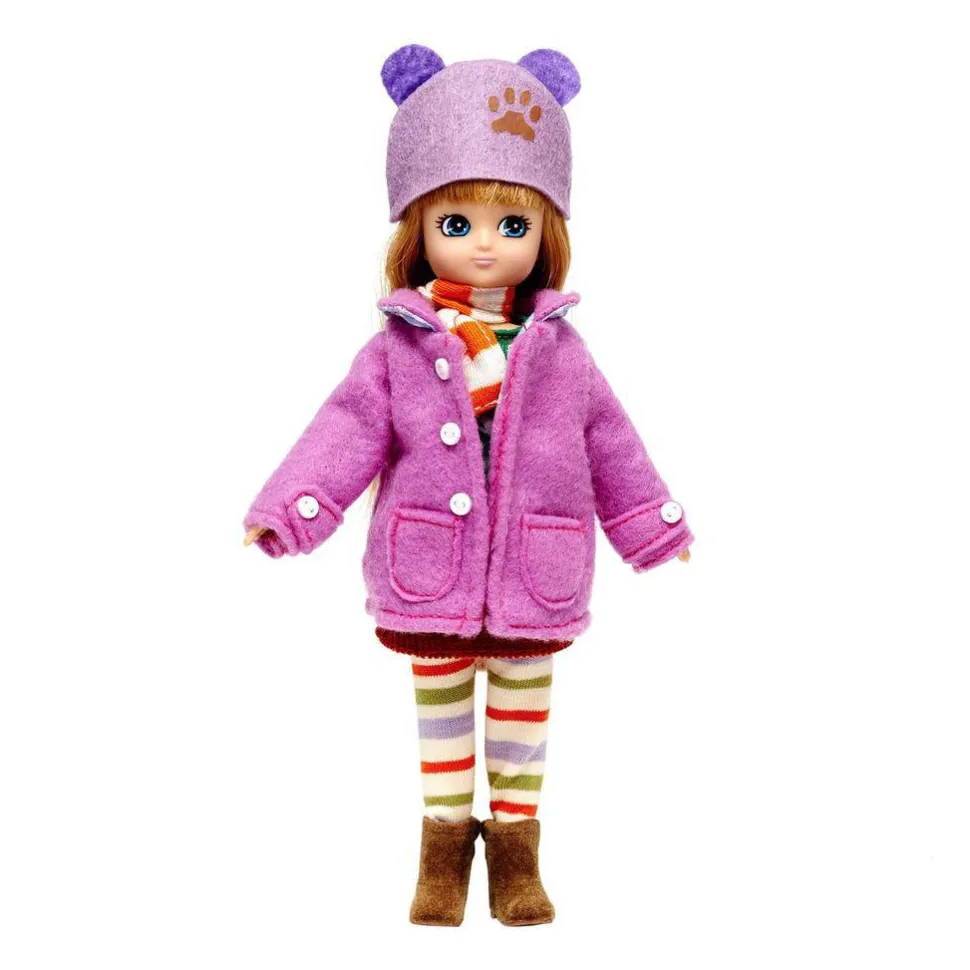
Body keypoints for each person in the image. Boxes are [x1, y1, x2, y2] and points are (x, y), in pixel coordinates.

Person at [243, 45, 693, 927]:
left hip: (535, 571)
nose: (486, 242)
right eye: (457, 221)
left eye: (511, 224)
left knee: (523, 725)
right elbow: (345, 432)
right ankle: (444, 851)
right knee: (441, 721)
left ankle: (517, 855)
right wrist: (290, 513)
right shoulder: (398, 348)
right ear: (416, 230)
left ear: (546, 234)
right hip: (430, 570)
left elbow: (613, 444)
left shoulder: (561, 352)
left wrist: (651, 526)